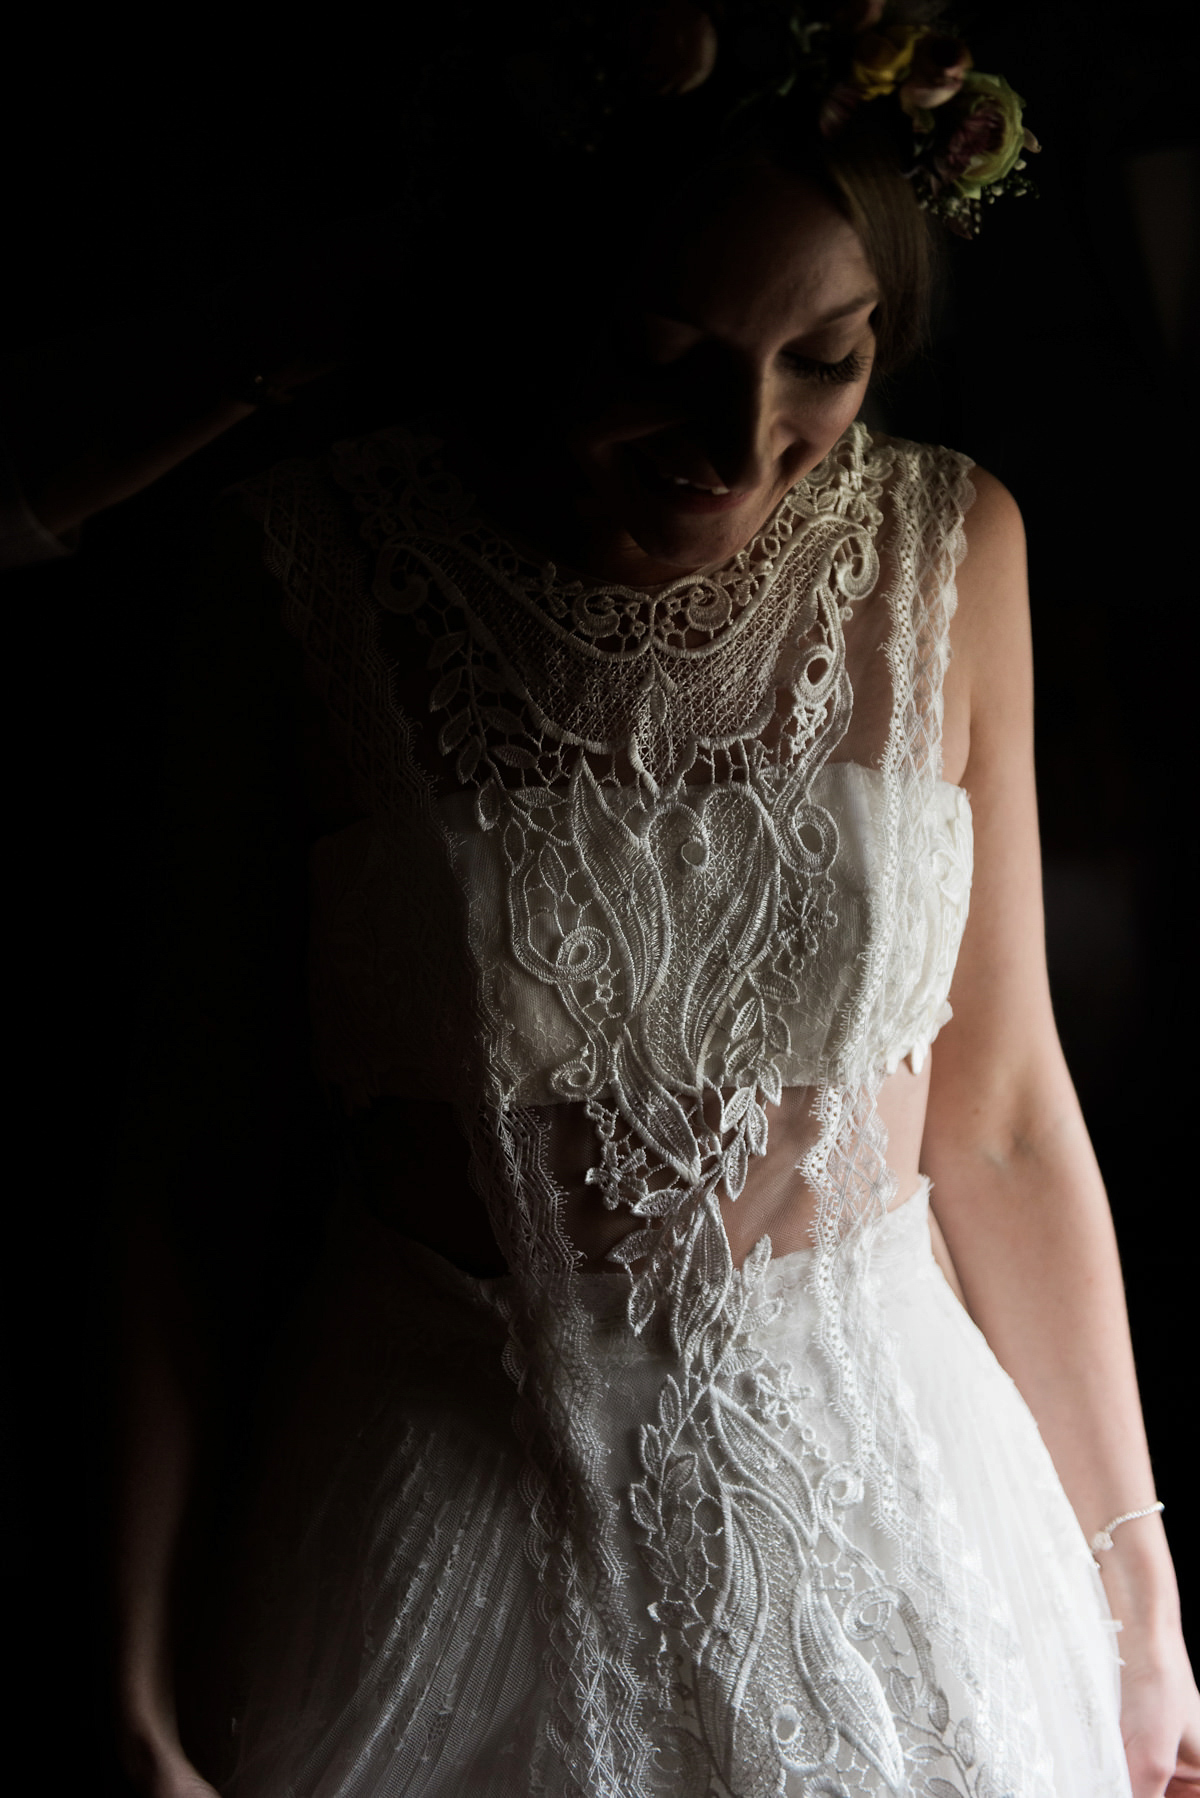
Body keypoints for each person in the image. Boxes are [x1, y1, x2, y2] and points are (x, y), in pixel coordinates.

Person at [71, 4, 1199, 1796]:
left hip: (901, 1535)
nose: (740, 440)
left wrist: (1140, 1595)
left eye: (824, 360)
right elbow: (188, 1162)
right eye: (657, 351)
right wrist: (120, 1674)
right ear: (527, 305)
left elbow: (994, 1117)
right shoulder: (307, 566)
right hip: (430, 1527)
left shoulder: (947, 546)